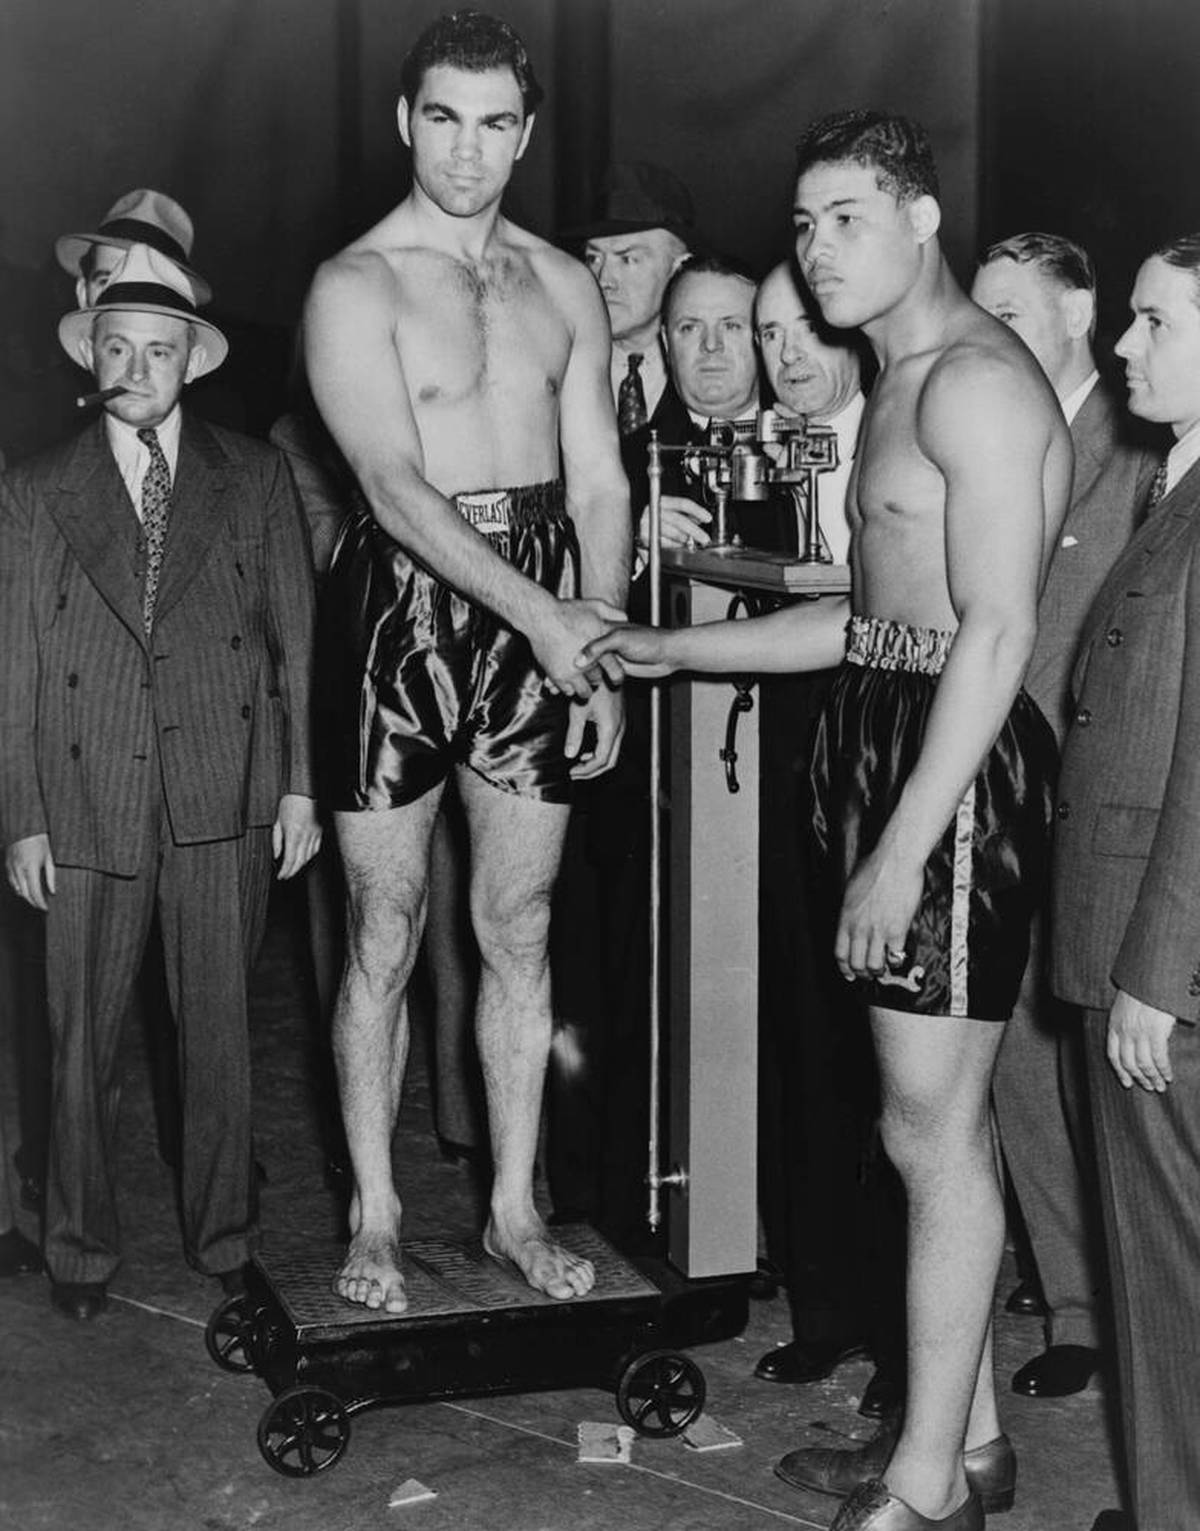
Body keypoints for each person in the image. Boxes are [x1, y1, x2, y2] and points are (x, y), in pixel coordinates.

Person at [585, 110, 1070, 1530]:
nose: (816, 248)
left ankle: (926, 1491)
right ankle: (961, 1440)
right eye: (803, 222)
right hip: (890, 723)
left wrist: (908, 842)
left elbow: (991, 632)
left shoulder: (974, 384)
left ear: (923, 220)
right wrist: (673, 648)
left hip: (952, 768)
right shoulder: (899, 374)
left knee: (931, 1127)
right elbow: (872, 623)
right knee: (928, 1126)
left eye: (846, 217)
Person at [304, 10, 629, 1314]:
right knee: (386, 924)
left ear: (526, 133)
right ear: (405, 120)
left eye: (496, 122)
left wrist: (593, 626)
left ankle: (510, 1204)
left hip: (542, 596)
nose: (468, 148)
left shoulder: (563, 285)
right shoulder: (354, 283)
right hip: (399, 613)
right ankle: (375, 1211)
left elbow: (600, 471)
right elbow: (387, 484)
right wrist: (542, 616)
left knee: (521, 922)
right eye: (444, 116)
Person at [0, 243, 320, 1321]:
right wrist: (23, 816)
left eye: (162, 349)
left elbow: (295, 647)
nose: (139, 365)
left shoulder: (255, 477)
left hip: (219, 789)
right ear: (92, 355)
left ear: (194, 361)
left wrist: (301, 788)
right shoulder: (39, 489)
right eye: (119, 347)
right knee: (77, 1038)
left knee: (219, 1028)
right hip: (83, 799)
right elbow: (17, 667)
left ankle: (225, 1235)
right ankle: (79, 1253)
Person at [972, 231, 1160, 1400]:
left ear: (1080, 316)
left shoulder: (1140, 449)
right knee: (1016, 1063)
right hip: (1003, 791)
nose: (992, 339)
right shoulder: (999, 438)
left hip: (1098, 809)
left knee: (1090, 1060)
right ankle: (1069, 1286)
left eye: (1015, 315)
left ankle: (1104, 1303)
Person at [1051, 233, 1200, 1531]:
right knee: (1161, 1272)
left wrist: (1158, 971)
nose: (1126, 344)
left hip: (1166, 966)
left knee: (1170, 1268)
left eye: (1156, 321)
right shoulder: (1177, 482)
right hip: (1144, 941)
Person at [750, 260, 907, 1415]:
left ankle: (911, 1348)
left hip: (891, 760)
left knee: (888, 1060)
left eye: (802, 328)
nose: (787, 354)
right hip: (796, 763)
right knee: (807, 1038)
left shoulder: (895, 430)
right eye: (768, 335)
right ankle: (827, 1312)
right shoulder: (763, 453)